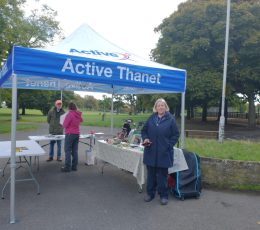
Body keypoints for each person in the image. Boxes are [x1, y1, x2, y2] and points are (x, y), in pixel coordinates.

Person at [141, 98, 179, 205]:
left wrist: (168, 145)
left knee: (162, 176)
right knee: (151, 175)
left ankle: (163, 195)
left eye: (162, 105)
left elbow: (176, 134)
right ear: (156, 107)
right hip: (151, 151)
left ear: (165, 107)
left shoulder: (171, 119)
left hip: (164, 152)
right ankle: (150, 194)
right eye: (159, 105)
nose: (160, 107)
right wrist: (146, 138)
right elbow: (144, 131)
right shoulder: (151, 118)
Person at [61, 101, 83, 172]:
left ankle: (67, 167)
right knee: (75, 151)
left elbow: (64, 125)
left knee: (67, 150)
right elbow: (81, 120)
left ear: (69, 107)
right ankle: (74, 166)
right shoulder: (78, 114)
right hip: (77, 134)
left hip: (70, 134)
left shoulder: (69, 114)